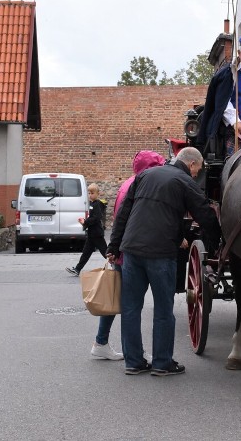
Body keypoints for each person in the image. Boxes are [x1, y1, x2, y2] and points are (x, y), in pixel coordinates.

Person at [107, 146, 219, 376]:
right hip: (160, 252)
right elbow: (205, 214)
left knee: (130, 308)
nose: (197, 174)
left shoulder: (145, 175)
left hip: (132, 251)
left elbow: (123, 214)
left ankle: (134, 361)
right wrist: (217, 243)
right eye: (198, 169)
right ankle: (161, 362)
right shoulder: (185, 181)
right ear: (191, 164)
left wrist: (113, 246)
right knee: (163, 309)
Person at [85, 151, 166, 363]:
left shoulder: (128, 183)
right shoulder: (143, 185)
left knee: (117, 299)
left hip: (123, 249)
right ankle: (130, 352)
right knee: (129, 305)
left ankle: (101, 343)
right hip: (131, 252)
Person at [66, 183, 108, 276]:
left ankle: (117, 265)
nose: (90, 195)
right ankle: (77, 269)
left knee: (105, 252)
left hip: (97, 234)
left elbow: (97, 218)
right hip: (92, 234)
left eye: (92, 193)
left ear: (98, 193)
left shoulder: (97, 204)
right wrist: (85, 222)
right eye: (89, 193)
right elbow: (92, 217)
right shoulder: (92, 203)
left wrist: (85, 222)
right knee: (86, 252)